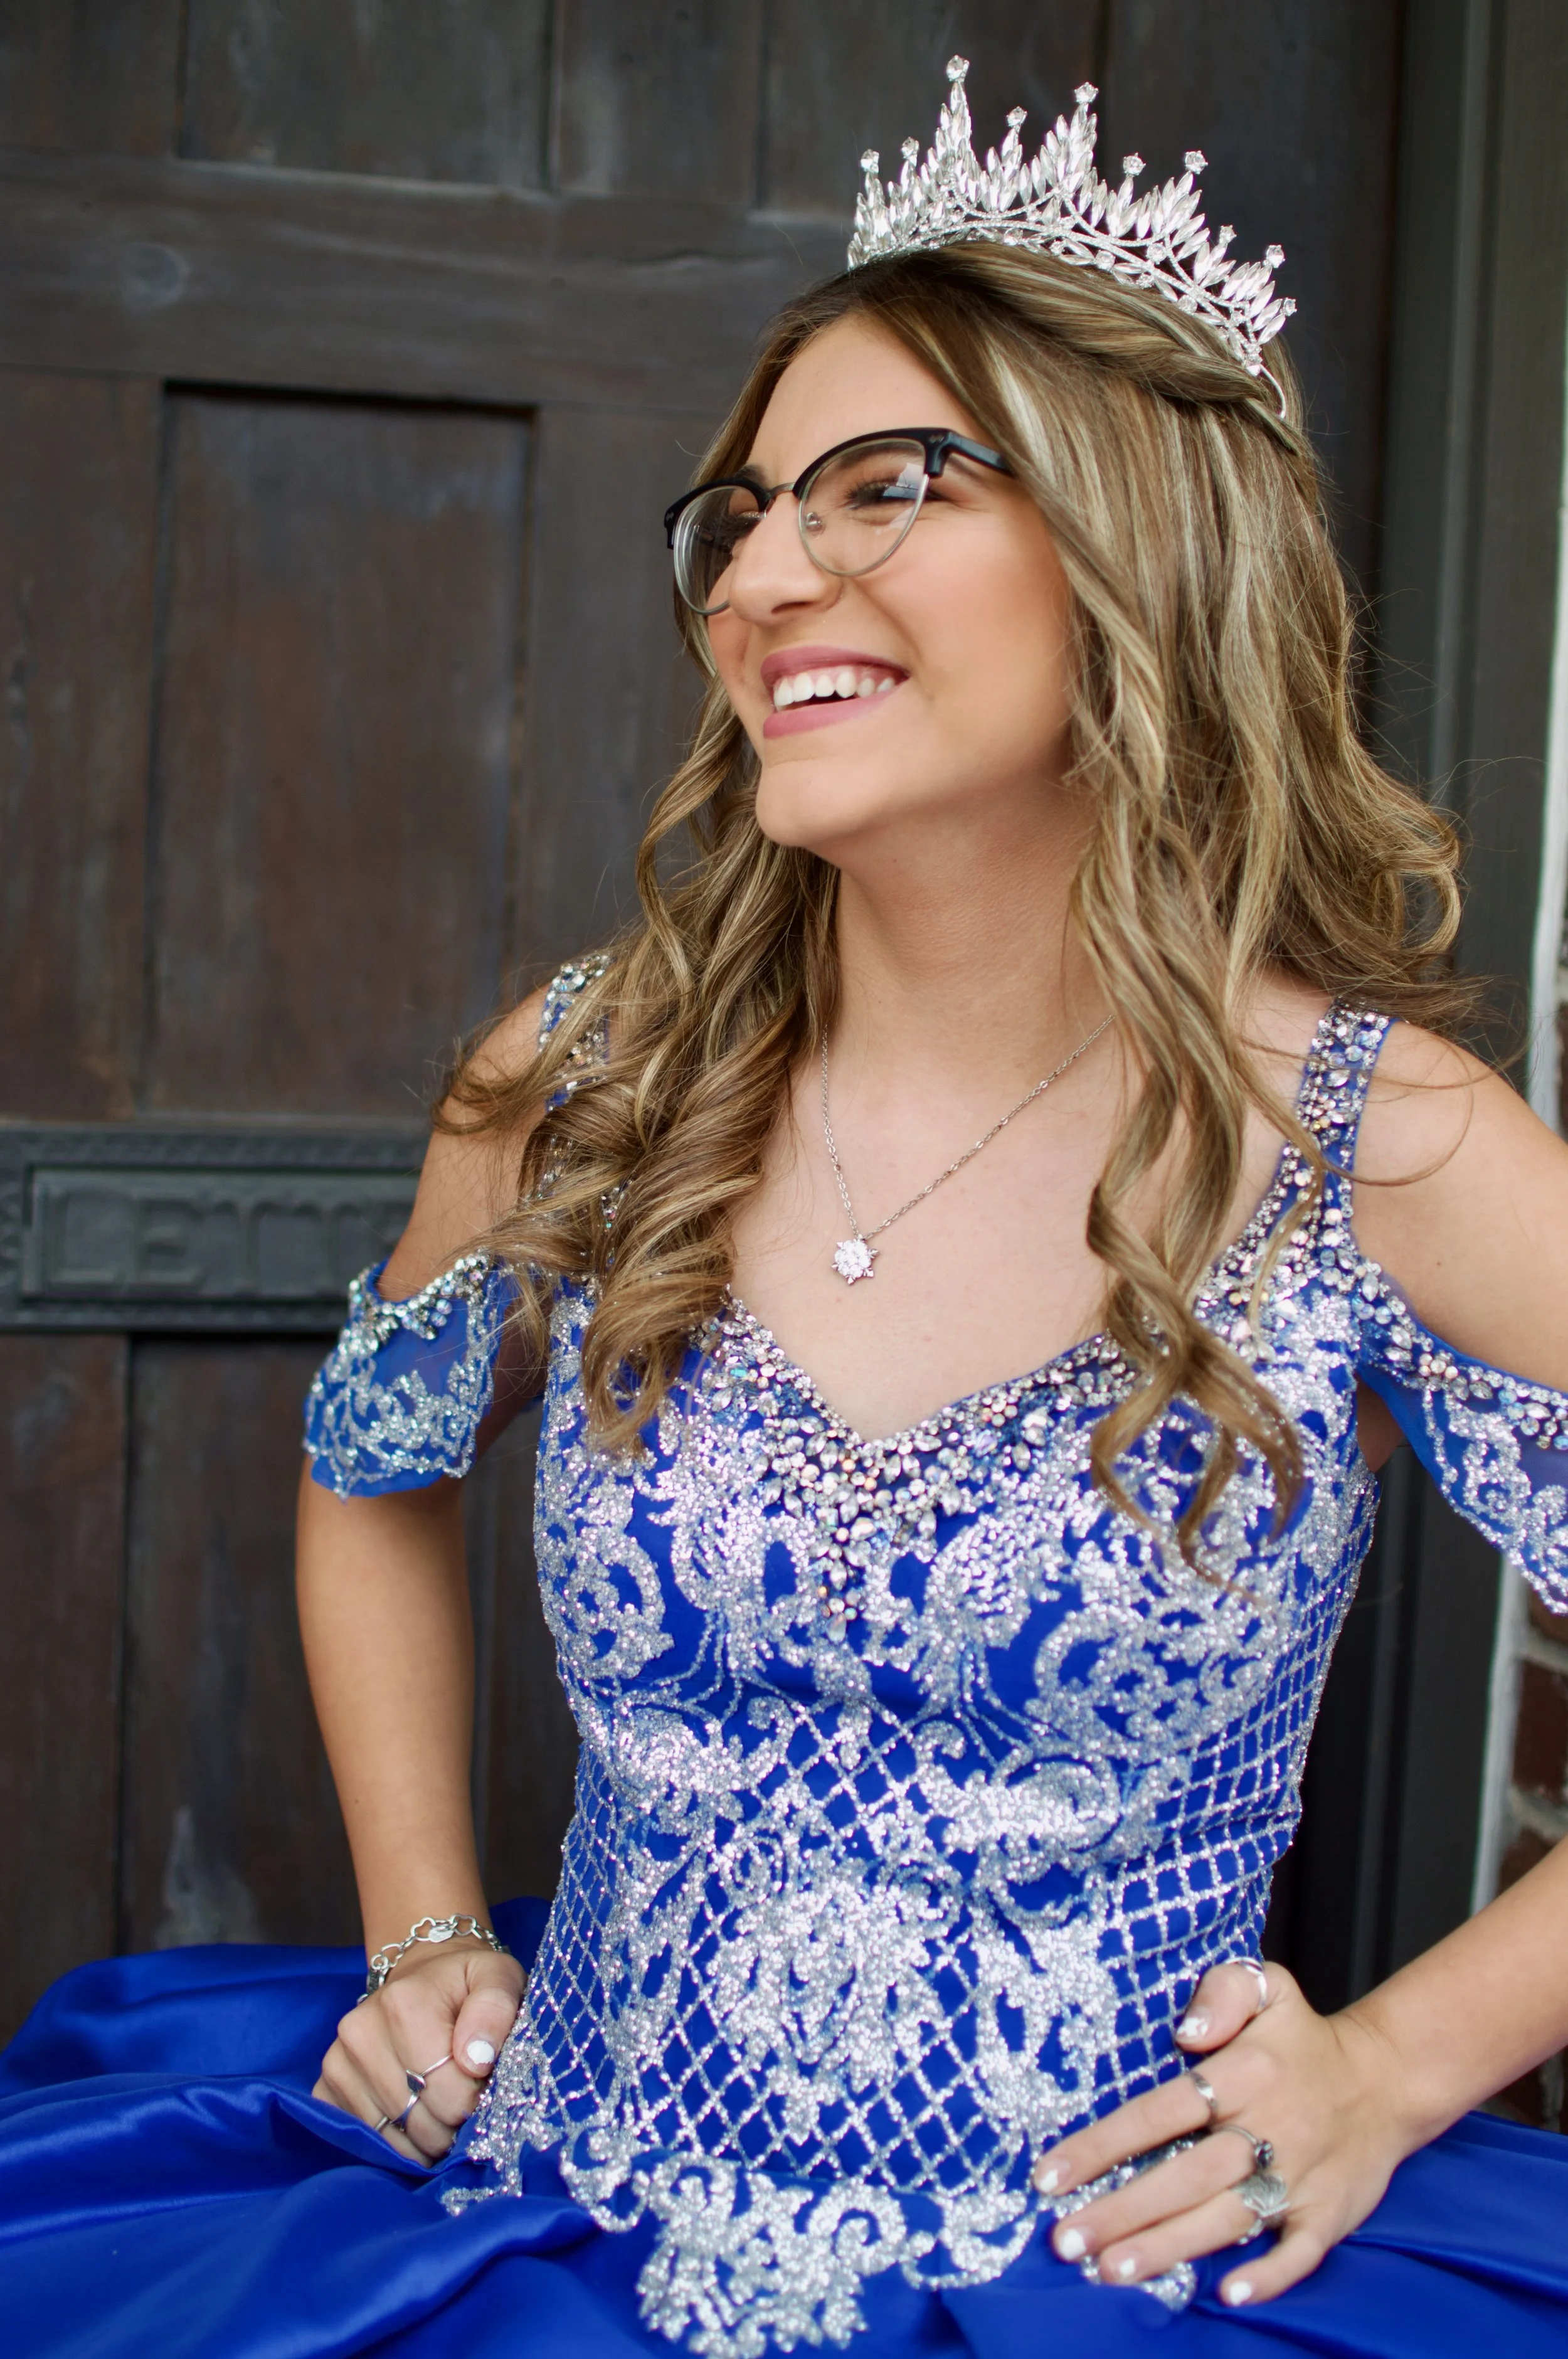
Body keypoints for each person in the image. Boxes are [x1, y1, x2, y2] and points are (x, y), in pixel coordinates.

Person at [6, 60, 1568, 2359]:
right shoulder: (587, 1073)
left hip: (1111, 2284)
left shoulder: (1380, 1144)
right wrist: (428, 1938)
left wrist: (1401, 2063)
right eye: (736, 516)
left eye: (879, 487)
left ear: (1136, 538)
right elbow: (368, 1478)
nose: (755, 579)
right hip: (541, 2214)